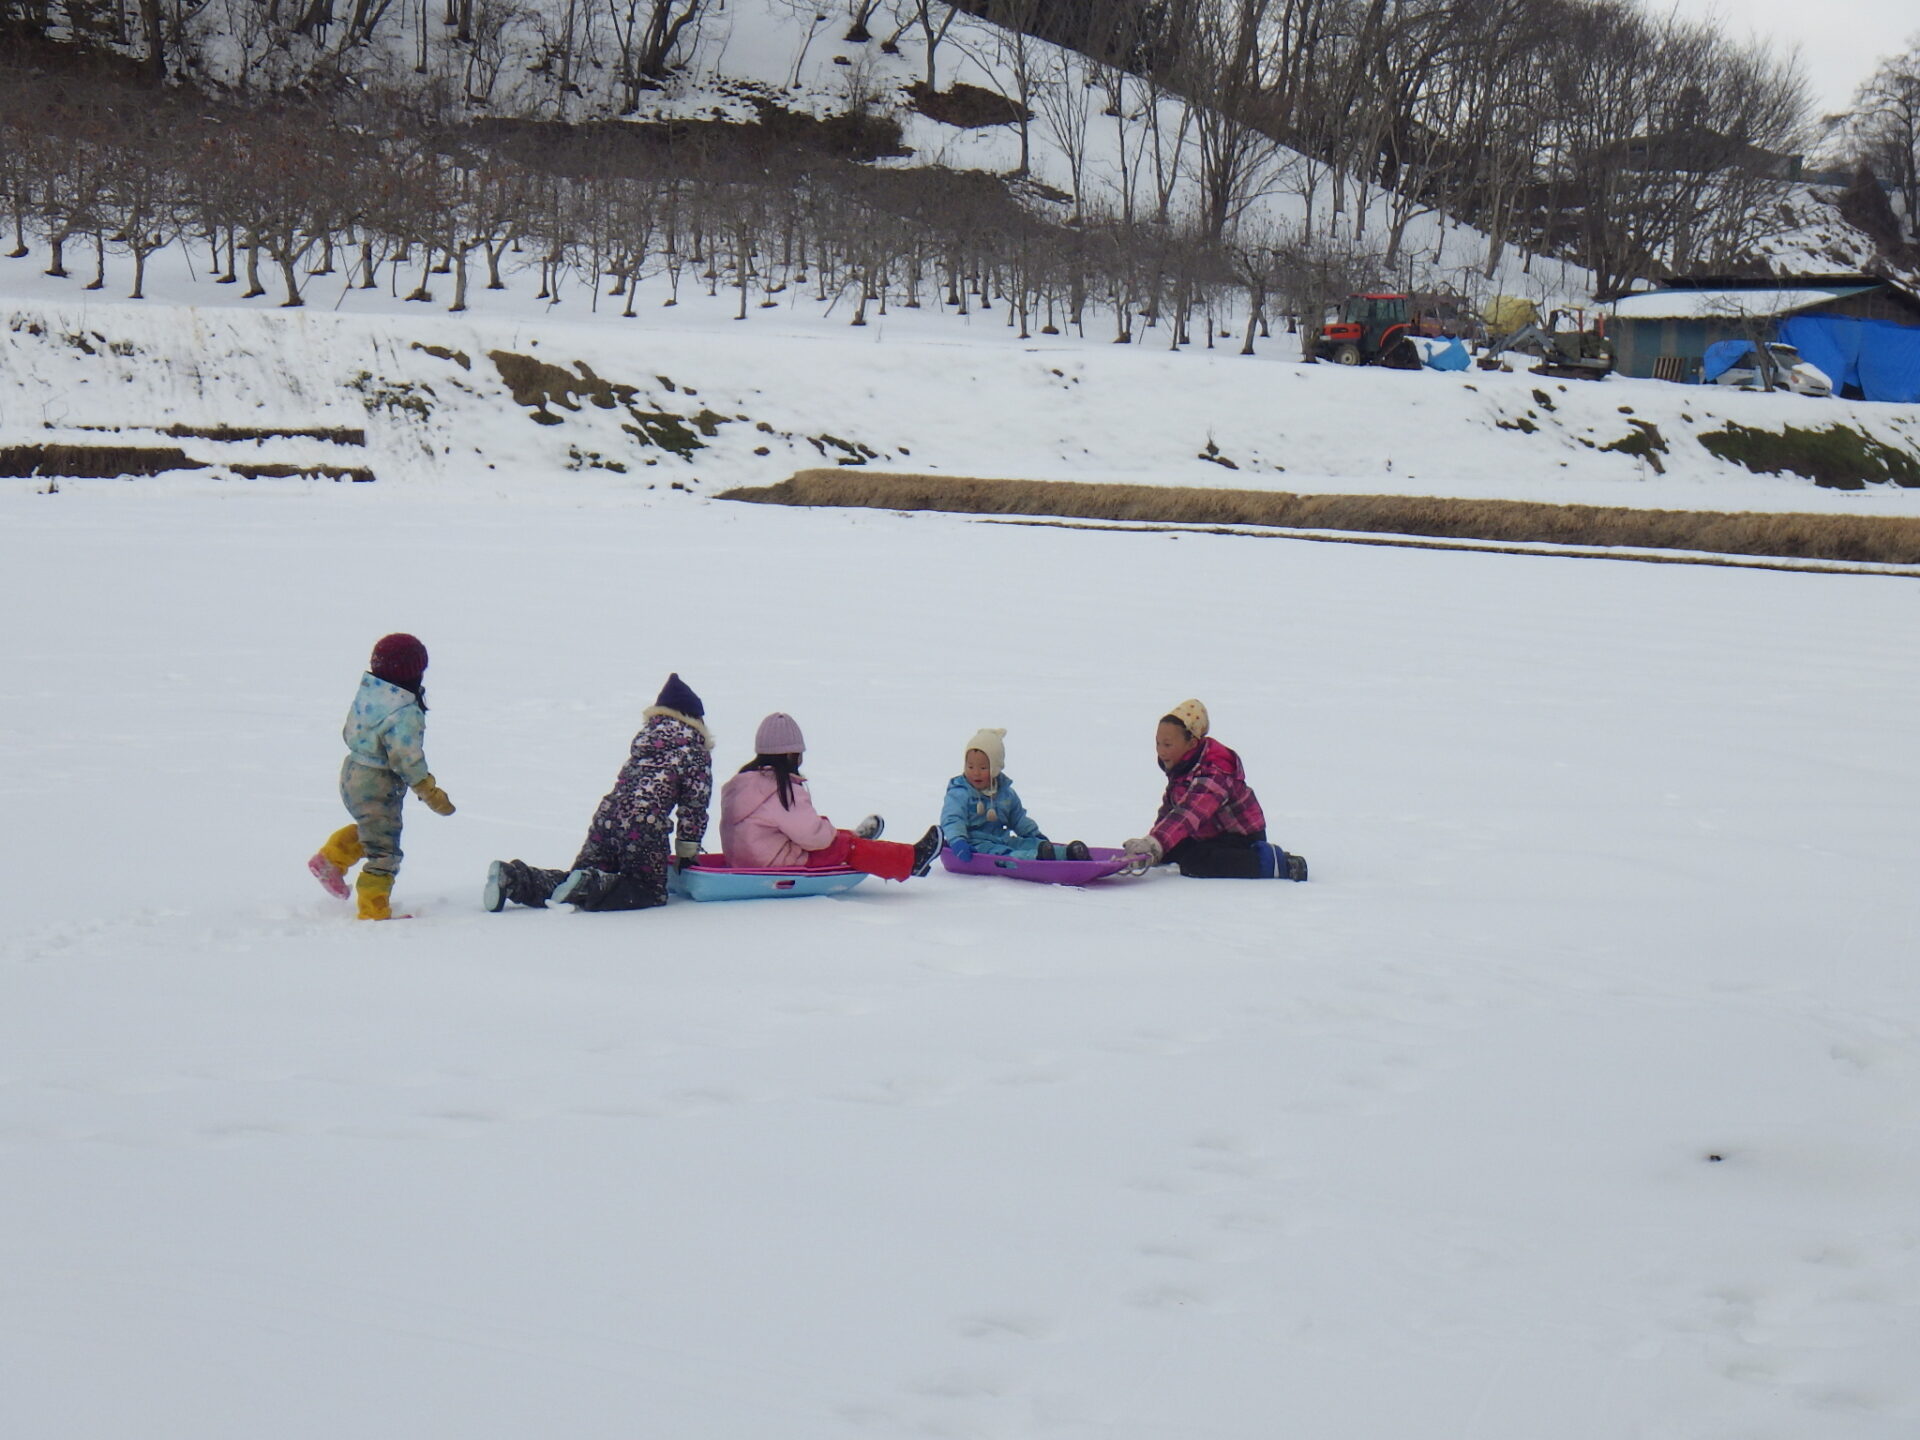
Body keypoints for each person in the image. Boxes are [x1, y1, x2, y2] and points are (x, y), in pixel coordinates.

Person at [484, 673, 713, 913]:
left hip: (607, 817)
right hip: (643, 825)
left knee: (573, 878)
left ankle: (514, 879)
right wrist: (687, 851)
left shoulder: (646, 743)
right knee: (648, 890)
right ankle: (589, 886)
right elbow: (694, 806)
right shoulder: (694, 752)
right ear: (695, 718)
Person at [308, 633, 455, 920]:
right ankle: (373, 909)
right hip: (376, 783)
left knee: (373, 830)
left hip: (352, 772)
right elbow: (406, 758)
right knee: (384, 851)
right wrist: (428, 790)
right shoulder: (404, 712)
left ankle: (331, 859)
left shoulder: (370, 691)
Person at [720, 712, 940, 882]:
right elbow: (814, 837)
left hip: (743, 859)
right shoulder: (782, 789)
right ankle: (912, 859)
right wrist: (833, 836)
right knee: (844, 847)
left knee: (832, 836)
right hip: (777, 865)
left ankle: (855, 837)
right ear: (791, 755)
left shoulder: (742, 784)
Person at [1119, 699, 1308, 881]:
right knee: (1172, 849)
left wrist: (1155, 844)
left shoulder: (1215, 772)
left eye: (1167, 744)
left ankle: (1274, 862)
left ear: (1192, 743)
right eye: (1158, 743)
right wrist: (1152, 846)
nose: (1161, 751)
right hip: (1207, 834)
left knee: (1195, 862)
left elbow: (1189, 813)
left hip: (1240, 839)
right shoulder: (1182, 766)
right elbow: (1170, 812)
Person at [940, 727, 1088, 863]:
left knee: (1025, 844)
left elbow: (1018, 819)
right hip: (974, 843)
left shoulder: (1005, 793)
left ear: (996, 768)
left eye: (983, 768)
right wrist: (958, 840)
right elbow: (952, 818)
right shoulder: (960, 793)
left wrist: (1035, 835)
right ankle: (1036, 858)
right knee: (1003, 854)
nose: (976, 772)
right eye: (970, 766)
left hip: (1001, 838)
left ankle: (1066, 853)